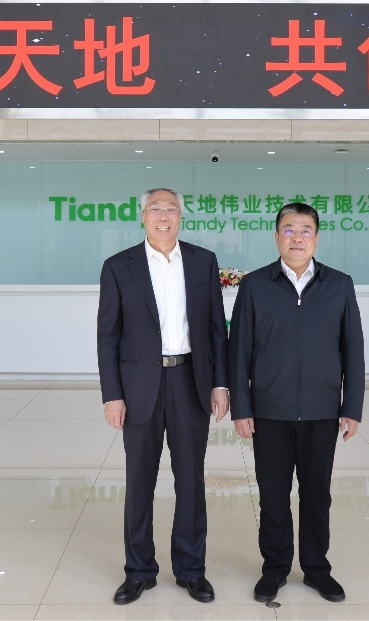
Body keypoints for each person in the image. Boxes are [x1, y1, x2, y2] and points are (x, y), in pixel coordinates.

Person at [97, 188, 230, 605]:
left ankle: (191, 569)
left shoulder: (203, 261)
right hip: (139, 387)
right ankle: (139, 571)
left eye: (171, 208)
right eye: (155, 208)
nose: (163, 214)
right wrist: (112, 395)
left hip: (190, 380)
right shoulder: (119, 266)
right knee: (140, 481)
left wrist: (220, 384)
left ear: (180, 217)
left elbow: (216, 328)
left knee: (191, 479)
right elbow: (108, 335)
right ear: (142, 216)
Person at [229, 202, 364, 603]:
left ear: (316, 239)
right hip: (269, 411)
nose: (297, 237)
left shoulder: (339, 284)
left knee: (317, 495)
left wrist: (352, 407)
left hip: (322, 411)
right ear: (276, 237)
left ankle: (317, 569)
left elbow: (353, 350)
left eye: (305, 230)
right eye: (289, 230)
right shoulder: (255, 285)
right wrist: (242, 407)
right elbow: (239, 351)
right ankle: (275, 568)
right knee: (273, 496)